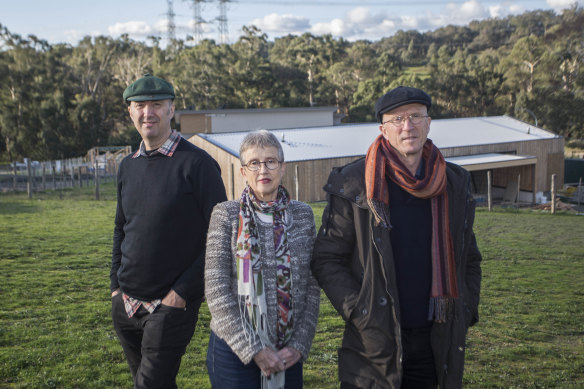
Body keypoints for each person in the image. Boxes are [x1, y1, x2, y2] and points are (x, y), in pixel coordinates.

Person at [311, 86, 482, 389]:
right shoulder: (354, 183)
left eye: (416, 116)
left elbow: (468, 256)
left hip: (436, 338)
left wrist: (464, 308)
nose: (408, 126)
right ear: (383, 129)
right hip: (374, 341)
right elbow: (327, 258)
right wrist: (360, 312)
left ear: (429, 122)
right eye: (397, 119)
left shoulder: (455, 182)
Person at [110, 74, 227, 388]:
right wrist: (115, 288)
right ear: (130, 112)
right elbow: (121, 228)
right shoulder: (128, 166)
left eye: (156, 105)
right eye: (140, 106)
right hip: (127, 305)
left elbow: (221, 237)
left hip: (170, 306)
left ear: (171, 110)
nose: (148, 112)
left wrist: (181, 295)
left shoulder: (199, 165)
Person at [205, 130, 320, 389]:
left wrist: (300, 344)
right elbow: (216, 291)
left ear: (282, 167)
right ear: (243, 171)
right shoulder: (225, 215)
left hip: (288, 351)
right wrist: (254, 349)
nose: (263, 169)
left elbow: (312, 286)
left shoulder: (302, 215)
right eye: (254, 163)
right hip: (234, 351)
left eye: (270, 161)